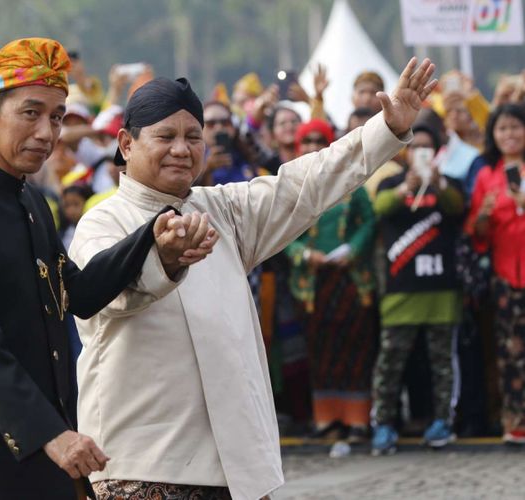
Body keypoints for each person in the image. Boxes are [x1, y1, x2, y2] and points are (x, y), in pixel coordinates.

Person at [70, 58, 437, 499]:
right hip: (143, 462)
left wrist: (384, 131)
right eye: (165, 136)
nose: (182, 149)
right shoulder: (102, 222)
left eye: (193, 137)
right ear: (126, 144)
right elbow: (100, 294)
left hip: (235, 465)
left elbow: (307, 182)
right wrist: (161, 258)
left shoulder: (222, 210)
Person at [0, 37, 216, 500]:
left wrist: (151, 236)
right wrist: (49, 434)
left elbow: (76, 292)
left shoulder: (31, 200)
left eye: (56, 117)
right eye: (31, 113)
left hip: (50, 440)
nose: (46, 132)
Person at [370, 124, 465, 455]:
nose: (420, 151)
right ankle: (383, 425)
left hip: (441, 289)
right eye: (415, 146)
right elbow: (379, 208)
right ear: (406, 151)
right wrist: (404, 190)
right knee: (391, 361)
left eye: (427, 147)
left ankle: (443, 422)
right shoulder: (391, 183)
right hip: (401, 289)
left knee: (442, 361)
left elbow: (457, 207)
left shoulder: (449, 184)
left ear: (437, 152)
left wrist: (436, 184)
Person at [284, 119, 377, 446]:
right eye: (305, 141)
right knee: (320, 352)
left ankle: (357, 420)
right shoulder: (288, 187)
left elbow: (369, 222)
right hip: (310, 284)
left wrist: (352, 249)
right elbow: (277, 233)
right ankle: (326, 418)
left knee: (354, 351)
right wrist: (304, 255)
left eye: (318, 140)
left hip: (349, 280)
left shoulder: (351, 182)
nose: (311, 146)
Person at [466, 104, 525, 444]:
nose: (509, 134)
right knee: (509, 352)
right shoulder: (488, 174)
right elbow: (477, 234)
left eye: (516, 127)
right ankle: (514, 421)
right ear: (493, 135)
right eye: (502, 129)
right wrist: (484, 215)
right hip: (504, 276)